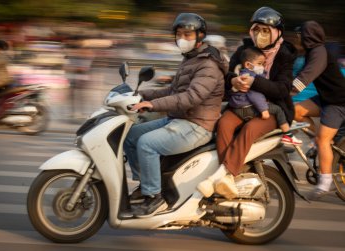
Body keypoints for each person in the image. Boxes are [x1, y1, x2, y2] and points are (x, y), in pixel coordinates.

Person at [124, 13, 228, 217]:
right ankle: (147, 183)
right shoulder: (191, 60)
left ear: (200, 36)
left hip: (196, 125)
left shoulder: (208, 65)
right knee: (131, 136)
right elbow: (172, 92)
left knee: (146, 143)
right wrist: (138, 95)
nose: (182, 38)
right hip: (179, 119)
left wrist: (152, 105)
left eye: (187, 34)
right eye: (179, 34)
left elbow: (190, 98)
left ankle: (154, 196)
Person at [197, 6, 297, 199]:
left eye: (266, 30)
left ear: (277, 33)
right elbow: (225, 74)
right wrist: (233, 80)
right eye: (257, 29)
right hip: (241, 105)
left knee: (250, 129)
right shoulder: (244, 50)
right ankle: (229, 177)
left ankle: (223, 175)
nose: (260, 34)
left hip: (272, 109)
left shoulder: (285, 55)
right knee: (224, 123)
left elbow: (283, 89)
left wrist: (255, 82)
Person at [292, 21, 345, 200]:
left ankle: (325, 182)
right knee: (296, 111)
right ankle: (319, 145)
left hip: (338, 102)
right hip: (325, 99)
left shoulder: (319, 53)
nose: (297, 38)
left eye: (300, 35)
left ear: (308, 36)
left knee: (324, 139)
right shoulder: (312, 52)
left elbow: (305, 78)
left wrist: (285, 91)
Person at [228, 46, 302, 145]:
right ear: (248, 65)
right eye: (259, 64)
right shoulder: (251, 76)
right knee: (278, 110)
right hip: (247, 107)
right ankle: (288, 135)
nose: (262, 67)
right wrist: (263, 110)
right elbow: (255, 95)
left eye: (263, 64)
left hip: (237, 105)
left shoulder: (241, 72)